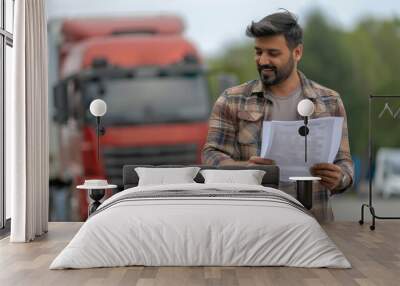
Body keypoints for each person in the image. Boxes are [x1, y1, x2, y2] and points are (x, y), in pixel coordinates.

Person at [201, 10, 354, 222]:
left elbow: (344, 163)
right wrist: (245, 169)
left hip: (314, 226)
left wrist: (340, 178)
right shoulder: (231, 100)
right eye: (258, 52)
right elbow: (211, 156)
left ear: (297, 52)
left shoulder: (330, 101)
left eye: (272, 53)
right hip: (251, 225)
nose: (263, 60)